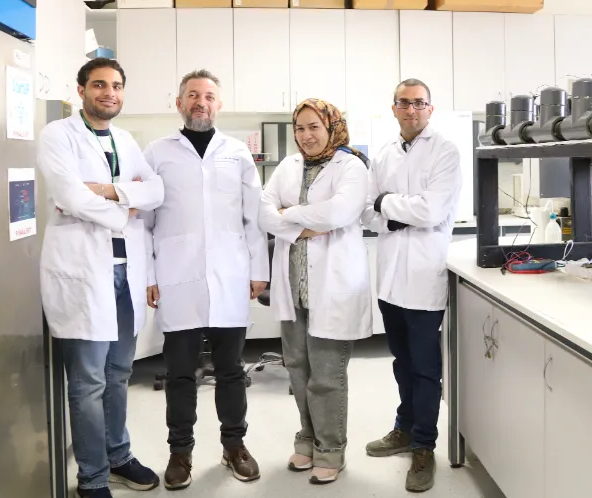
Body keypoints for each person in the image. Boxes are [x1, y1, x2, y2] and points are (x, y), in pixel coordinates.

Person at [38, 58, 165, 498]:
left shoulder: (126, 140)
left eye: (116, 85)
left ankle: (118, 455)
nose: (109, 93)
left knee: (119, 372)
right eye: (99, 85)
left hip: (125, 273)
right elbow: (70, 196)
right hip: (83, 275)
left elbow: (157, 190)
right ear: (81, 91)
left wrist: (109, 192)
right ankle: (92, 477)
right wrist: (126, 208)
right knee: (88, 381)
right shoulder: (57, 135)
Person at [142, 70, 269, 490]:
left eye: (209, 96)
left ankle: (234, 445)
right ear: (179, 103)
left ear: (219, 104)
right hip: (176, 276)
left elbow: (253, 216)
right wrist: (149, 274)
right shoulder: (157, 152)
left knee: (230, 370)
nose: (201, 102)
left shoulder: (237, 152)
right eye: (193, 95)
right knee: (180, 372)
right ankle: (180, 451)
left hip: (229, 275)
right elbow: (143, 222)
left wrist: (259, 270)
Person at [259, 99, 372, 485]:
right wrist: (305, 225)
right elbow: (263, 213)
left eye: (314, 127)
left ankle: (331, 449)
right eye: (300, 128)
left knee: (326, 374)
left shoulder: (351, 166)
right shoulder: (288, 166)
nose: (306, 136)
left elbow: (338, 214)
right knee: (297, 369)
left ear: (331, 127)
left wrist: (287, 216)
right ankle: (307, 440)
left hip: (332, 287)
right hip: (292, 286)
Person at [361, 78, 462, 493]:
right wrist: (394, 215)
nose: (411, 109)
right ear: (394, 108)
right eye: (404, 103)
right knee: (401, 362)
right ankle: (404, 428)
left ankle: (424, 446)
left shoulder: (445, 152)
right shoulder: (384, 153)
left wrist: (387, 204)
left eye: (419, 103)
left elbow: (432, 211)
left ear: (430, 109)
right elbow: (366, 212)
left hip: (423, 278)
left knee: (424, 368)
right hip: (389, 280)